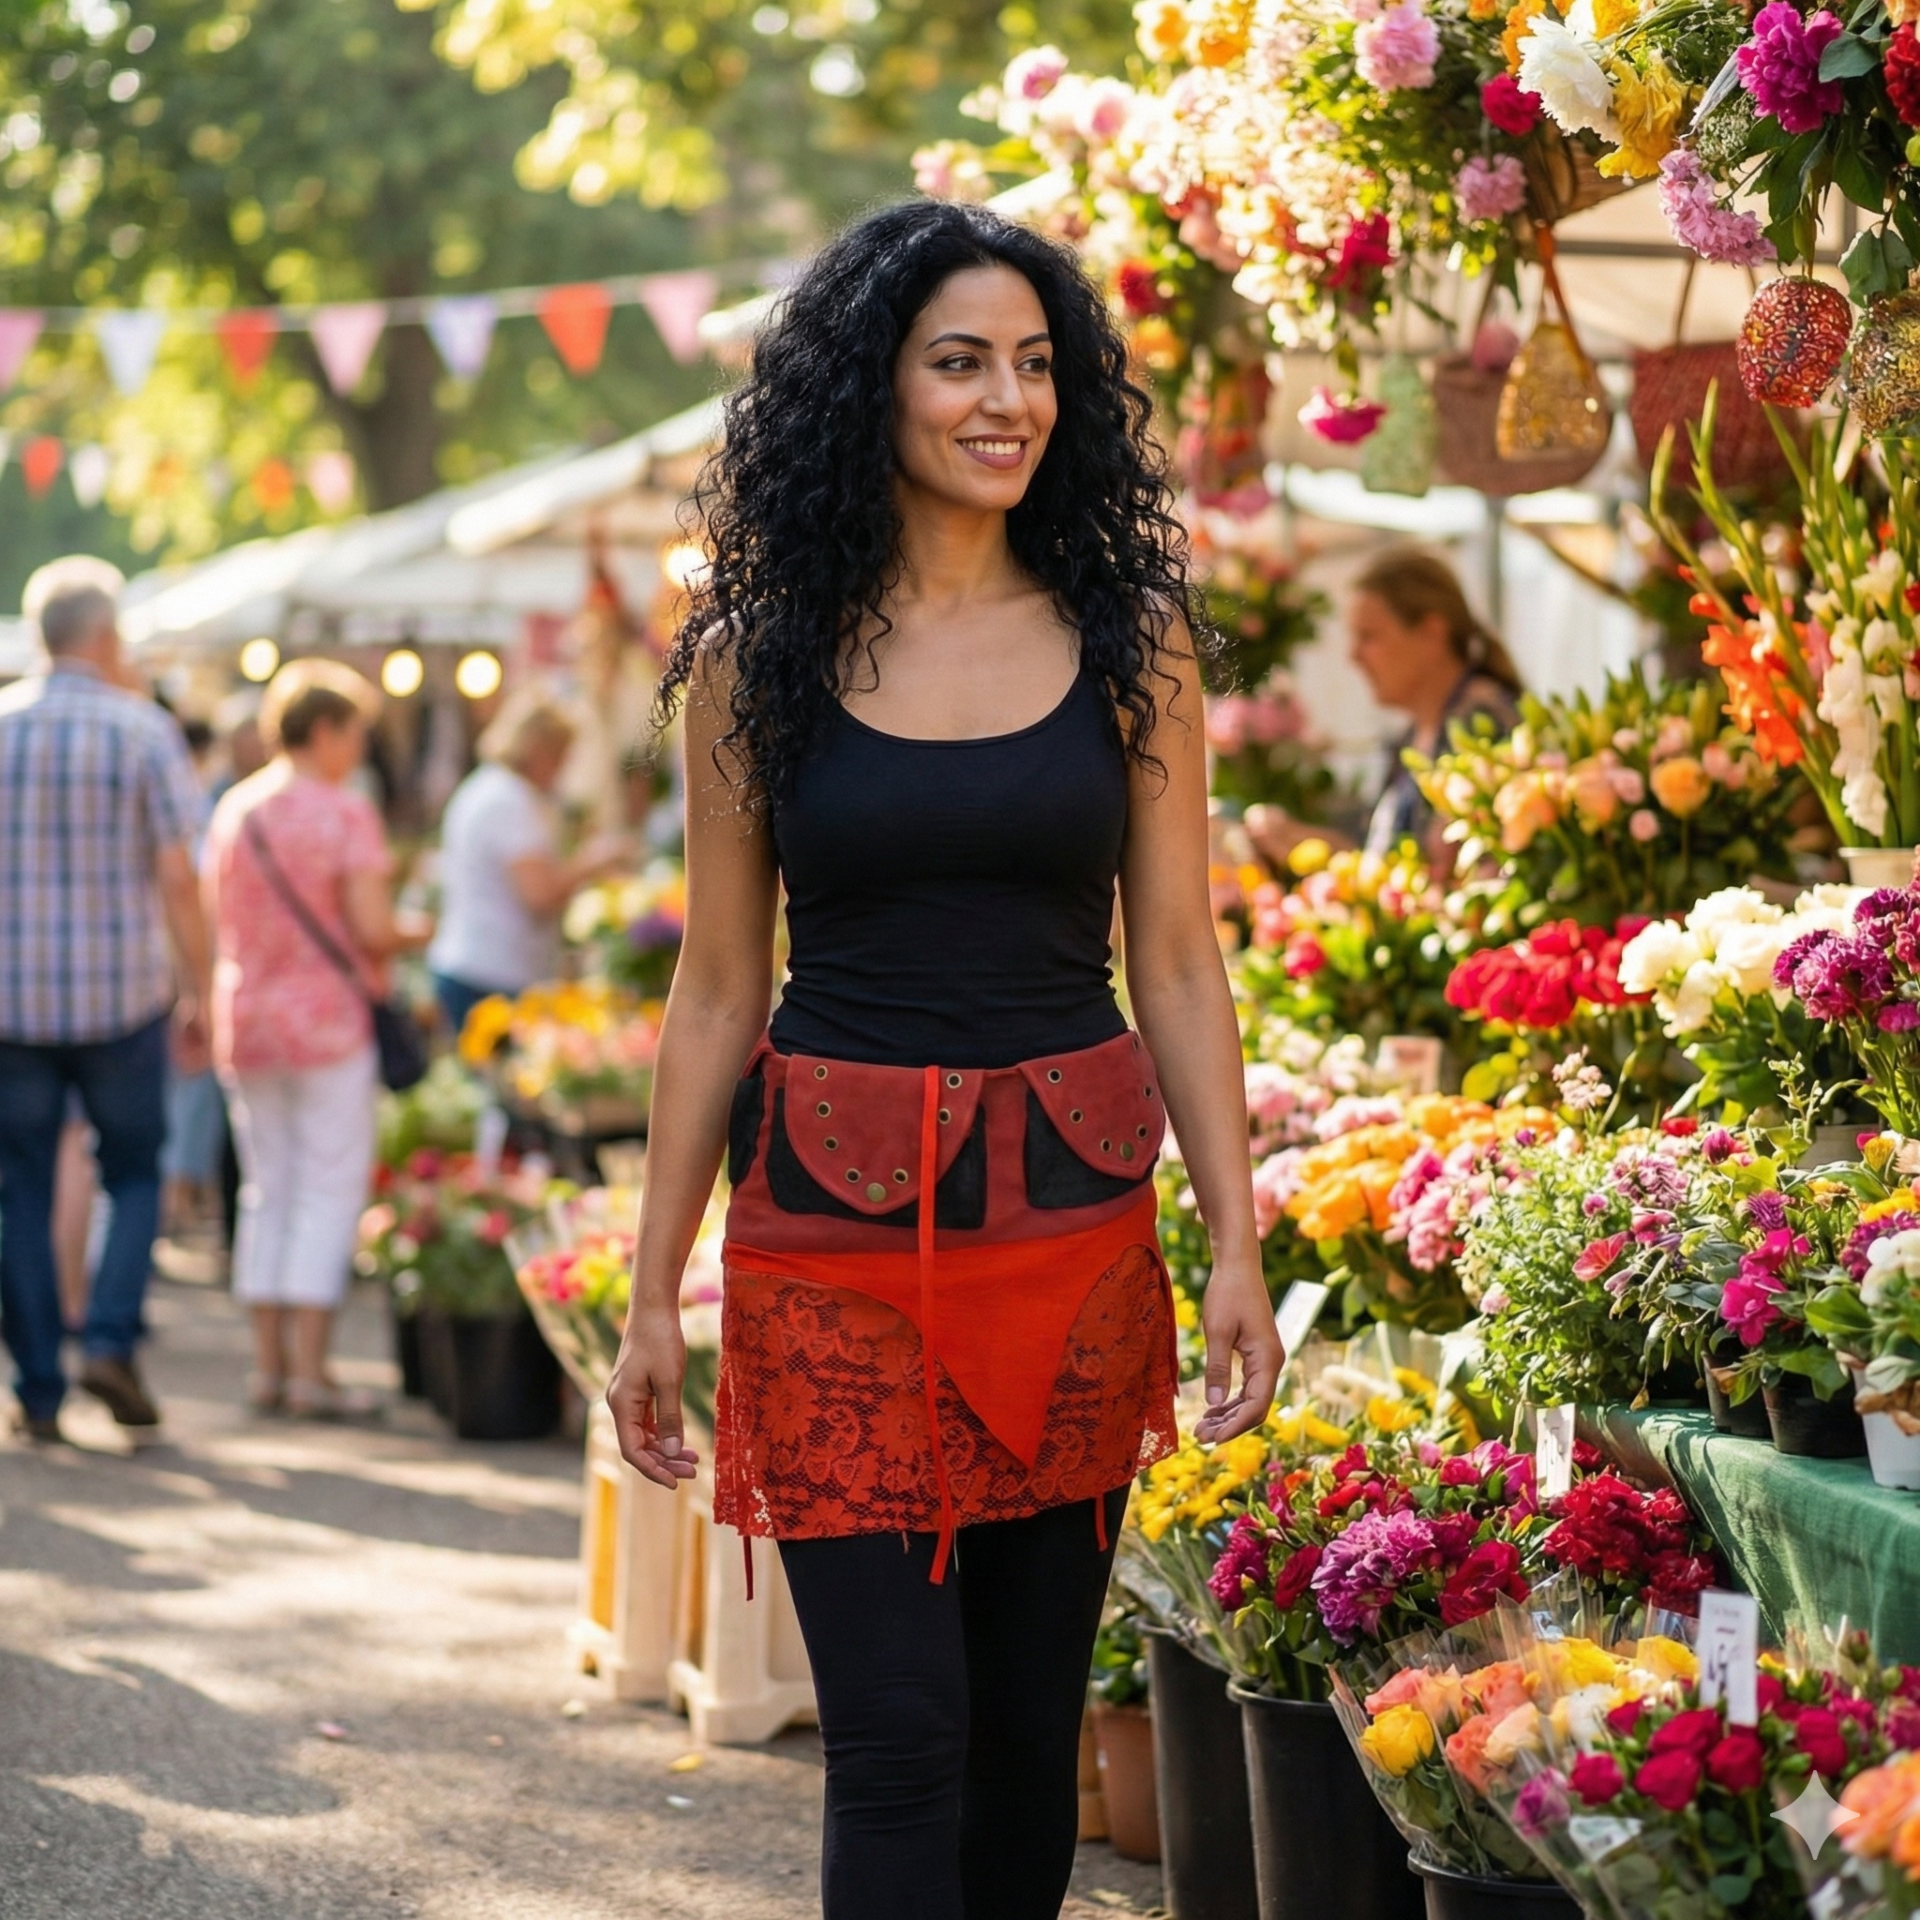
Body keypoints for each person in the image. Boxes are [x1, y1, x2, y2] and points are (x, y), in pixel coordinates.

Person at [607, 201, 1280, 1920]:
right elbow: (713, 991)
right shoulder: (754, 662)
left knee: (1019, 1734)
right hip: (828, 1250)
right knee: (899, 1738)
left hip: (1071, 1240)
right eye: (960, 361)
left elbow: (1183, 960)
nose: (1010, 400)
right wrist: (648, 1296)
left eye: (1037, 365)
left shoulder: (1138, 642)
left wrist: (1238, 1255)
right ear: (868, 390)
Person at [0, 556, 213, 1443]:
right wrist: (201, 984)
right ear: (106, 634)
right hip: (121, 1000)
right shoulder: (141, 732)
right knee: (133, 1176)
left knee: (17, 1191)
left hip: (11, 1005)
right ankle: (112, 1338)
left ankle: (38, 1385)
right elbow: (177, 875)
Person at [202, 659, 408, 1418]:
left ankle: (265, 1366)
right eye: (355, 734)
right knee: (326, 1186)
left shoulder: (233, 810)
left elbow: (214, 920)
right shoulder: (344, 812)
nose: (358, 750)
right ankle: (310, 1371)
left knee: (266, 1189)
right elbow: (373, 930)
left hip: (247, 1017)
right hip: (325, 1021)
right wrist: (416, 930)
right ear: (323, 731)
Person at [426, 691, 629, 1042]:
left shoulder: (489, 787)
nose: (562, 768)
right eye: (560, 756)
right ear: (538, 749)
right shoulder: (509, 801)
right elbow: (539, 894)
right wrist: (592, 862)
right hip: (491, 973)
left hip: (477, 964)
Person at [1349, 547, 1524, 859]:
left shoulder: (1485, 724)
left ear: (1432, 633)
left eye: (1369, 637)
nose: (1354, 656)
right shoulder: (1414, 735)